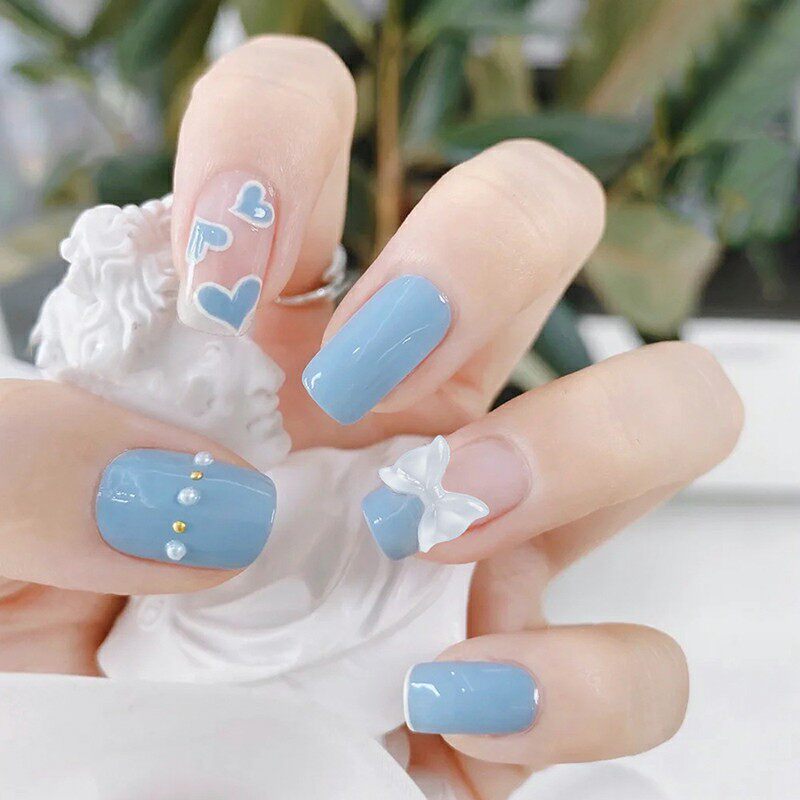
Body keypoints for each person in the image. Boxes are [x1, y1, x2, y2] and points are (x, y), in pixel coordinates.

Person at [0, 36, 743, 798]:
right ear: (143, 389)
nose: (262, 370)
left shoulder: (389, 516)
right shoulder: (121, 672)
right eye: (216, 351)